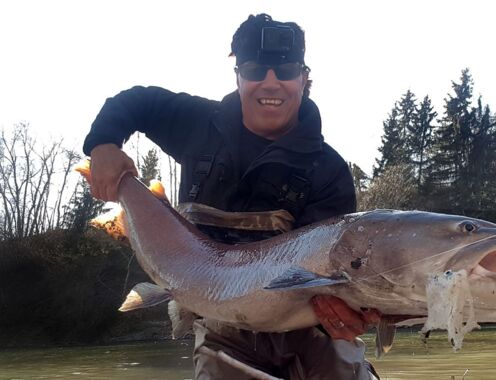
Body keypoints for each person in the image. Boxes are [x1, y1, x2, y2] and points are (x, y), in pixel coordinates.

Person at [83, 13, 381, 379]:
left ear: (304, 79)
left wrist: (341, 318)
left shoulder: (329, 170)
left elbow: (330, 280)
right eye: (256, 70)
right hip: (221, 321)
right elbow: (135, 102)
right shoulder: (200, 123)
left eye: (285, 71)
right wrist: (103, 144)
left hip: (305, 323)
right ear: (238, 76)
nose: (270, 84)